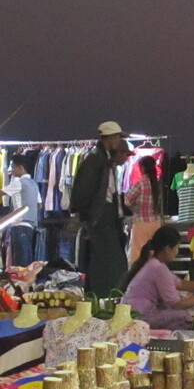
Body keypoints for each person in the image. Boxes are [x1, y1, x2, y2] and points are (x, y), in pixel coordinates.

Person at [70, 121, 128, 297]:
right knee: (108, 263)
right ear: (110, 138)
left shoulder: (103, 160)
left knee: (110, 263)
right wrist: (86, 219)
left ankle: (104, 297)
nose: (119, 141)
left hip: (105, 217)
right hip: (100, 218)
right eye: (117, 137)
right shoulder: (95, 160)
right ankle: (103, 299)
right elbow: (83, 192)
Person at [120, 226, 194, 329]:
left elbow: (181, 284)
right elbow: (176, 305)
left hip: (131, 311)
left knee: (179, 312)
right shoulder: (158, 268)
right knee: (183, 316)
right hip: (138, 315)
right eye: (176, 248)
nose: (177, 252)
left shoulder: (153, 264)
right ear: (167, 249)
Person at [124, 155, 162, 265]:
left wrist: (134, 207)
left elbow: (127, 201)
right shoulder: (156, 184)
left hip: (141, 223)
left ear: (143, 168)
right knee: (154, 254)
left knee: (138, 257)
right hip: (155, 223)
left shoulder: (140, 184)